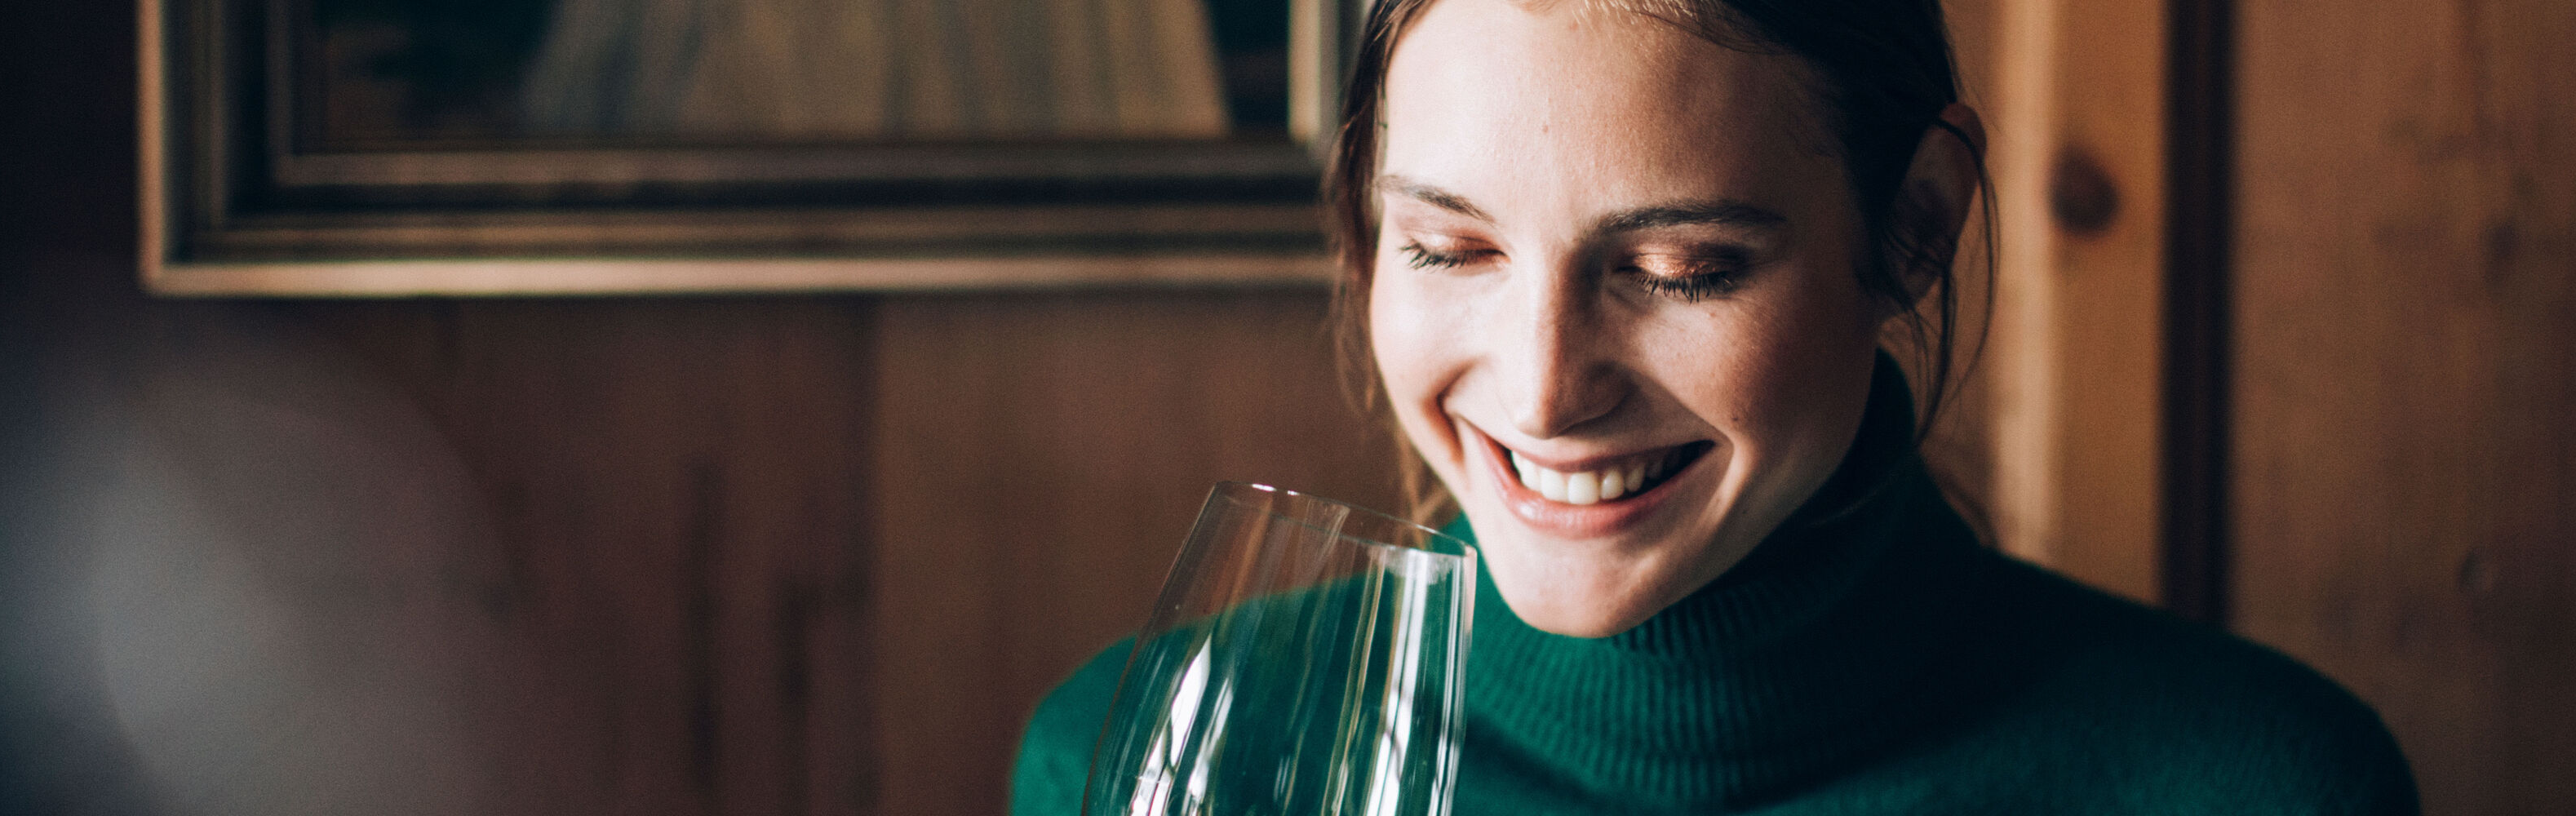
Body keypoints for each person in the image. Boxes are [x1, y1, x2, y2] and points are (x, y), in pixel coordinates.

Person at [1014, 0, 2420, 810]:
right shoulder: (1156, 756)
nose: (1547, 387)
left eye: (1682, 271)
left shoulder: (2255, 789)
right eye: (1451, 249)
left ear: (1917, 226)